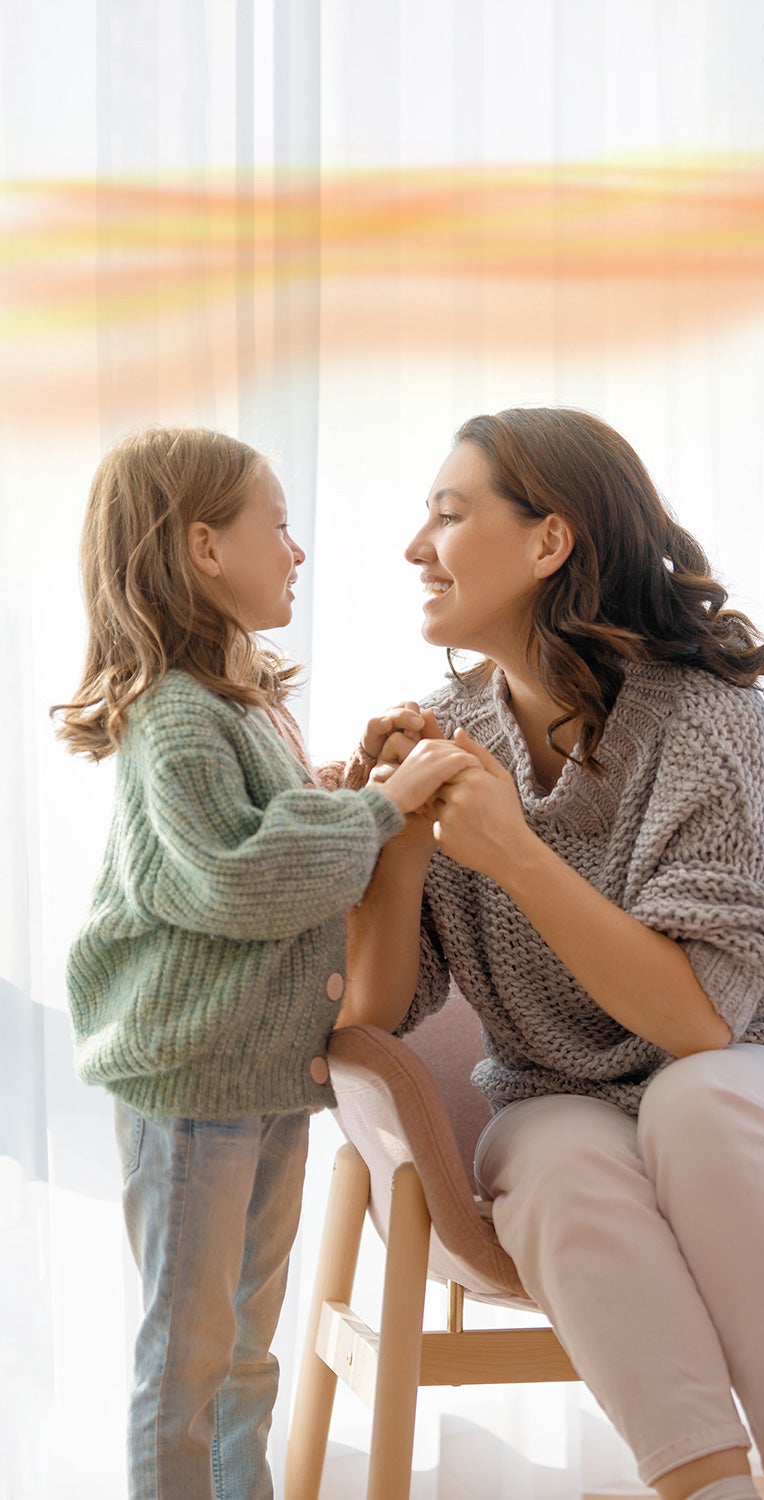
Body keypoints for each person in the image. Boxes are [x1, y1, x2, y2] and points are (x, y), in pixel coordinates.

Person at [339, 407, 764, 1500]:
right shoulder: (448, 731)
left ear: (549, 541)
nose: (417, 548)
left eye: (449, 516)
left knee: (696, 1101)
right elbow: (374, 1011)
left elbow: (700, 1022)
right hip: (573, 1097)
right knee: (545, 1160)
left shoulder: (705, 718)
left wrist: (514, 852)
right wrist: (395, 847)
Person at [53, 428, 478, 1500]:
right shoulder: (177, 718)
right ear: (203, 548)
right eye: (277, 527)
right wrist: (382, 807)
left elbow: (269, 832)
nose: (297, 551)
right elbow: (236, 882)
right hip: (193, 1085)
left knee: (247, 1349)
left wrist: (351, 777)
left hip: (256, 1077)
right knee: (191, 1355)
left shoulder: (240, 704)